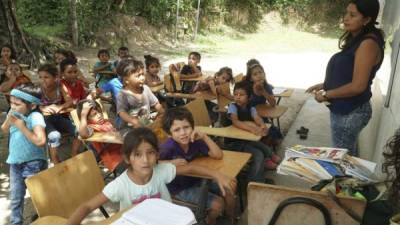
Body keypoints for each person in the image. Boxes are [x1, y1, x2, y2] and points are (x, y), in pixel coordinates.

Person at [66, 127, 236, 225]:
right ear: (127, 158)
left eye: (150, 153)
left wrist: (216, 174)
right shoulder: (121, 185)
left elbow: (191, 167)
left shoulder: (161, 171)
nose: (145, 160)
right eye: (137, 155)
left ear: (157, 155)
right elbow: (87, 207)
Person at [306, 0, 385, 156]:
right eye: (346, 13)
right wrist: (325, 84)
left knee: (341, 160)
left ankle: (345, 181)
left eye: (352, 15)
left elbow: (357, 86)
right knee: (347, 156)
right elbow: (349, 73)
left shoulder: (368, 43)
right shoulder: (358, 38)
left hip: (350, 112)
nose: (346, 18)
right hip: (346, 109)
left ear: (367, 19)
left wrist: (326, 95)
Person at [159, 107, 237, 225]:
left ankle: (230, 219)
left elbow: (218, 155)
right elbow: (153, 164)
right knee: (218, 204)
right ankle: (209, 220)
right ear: (170, 134)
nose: (183, 133)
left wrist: (205, 137)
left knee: (231, 184)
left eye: (186, 127)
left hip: (197, 180)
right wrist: (169, 162)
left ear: (192, 127)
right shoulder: (168, 147)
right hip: (179, 188)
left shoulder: (194, 140)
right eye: (177, 130)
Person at [1, 84, 47, 225]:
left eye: (17, 104)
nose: (13, 106)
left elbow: (40, 141)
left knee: (38, 197)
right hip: (15, 162)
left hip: (33, 163)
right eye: (11, 103)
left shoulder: (35, 116)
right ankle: (16, 222)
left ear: (32, 105)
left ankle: (47, 219)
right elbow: (4, 130)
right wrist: (10, 118)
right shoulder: (15, 113)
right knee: (15, 198)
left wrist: (22, 126)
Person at [226, 81, 281, 181]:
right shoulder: (232, 107)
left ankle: (269, 156)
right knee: (258, 155)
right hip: (234, 142)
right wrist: (252, 129)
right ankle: (254, 181)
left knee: (264, 148)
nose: (237, 97)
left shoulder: (251, 108)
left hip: (246, 140)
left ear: (249, 97)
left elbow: (257, 118)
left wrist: (262, 125)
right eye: (235, 94)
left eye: (241, 95)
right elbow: (236, 122)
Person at [38, 64, 80, 163]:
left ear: (55, 78)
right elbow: (33, 105)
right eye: (40, 77)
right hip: (44, 120)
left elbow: (70, 101)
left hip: (58, 117)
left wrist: (59, 107)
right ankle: (56, 161)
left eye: (46, 77)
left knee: (79, 131)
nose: (42, 80)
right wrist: (44, 108)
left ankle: (74, 156)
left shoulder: (60, 86)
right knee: (54, 136)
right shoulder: (38, 88)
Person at [116, 58, 164, 137]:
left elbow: (156, 104)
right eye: (138, 76)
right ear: (126, 80)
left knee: (160, 134)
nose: (142, 78)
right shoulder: (122, 94)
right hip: (128, 129)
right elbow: (122, 112)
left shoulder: (145, 89)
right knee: (138, 140)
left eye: (142, 74)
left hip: (145, 124)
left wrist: (162, 112)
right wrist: (133, 121)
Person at [76, 99, 125, 173]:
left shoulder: (106, 121)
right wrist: (83, 115)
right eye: (94, 114)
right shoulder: (91, 127)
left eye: (100, 112)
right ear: (87, 120)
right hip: (115, 159)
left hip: (125, 151)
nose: (99, 115)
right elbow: (83, 134)